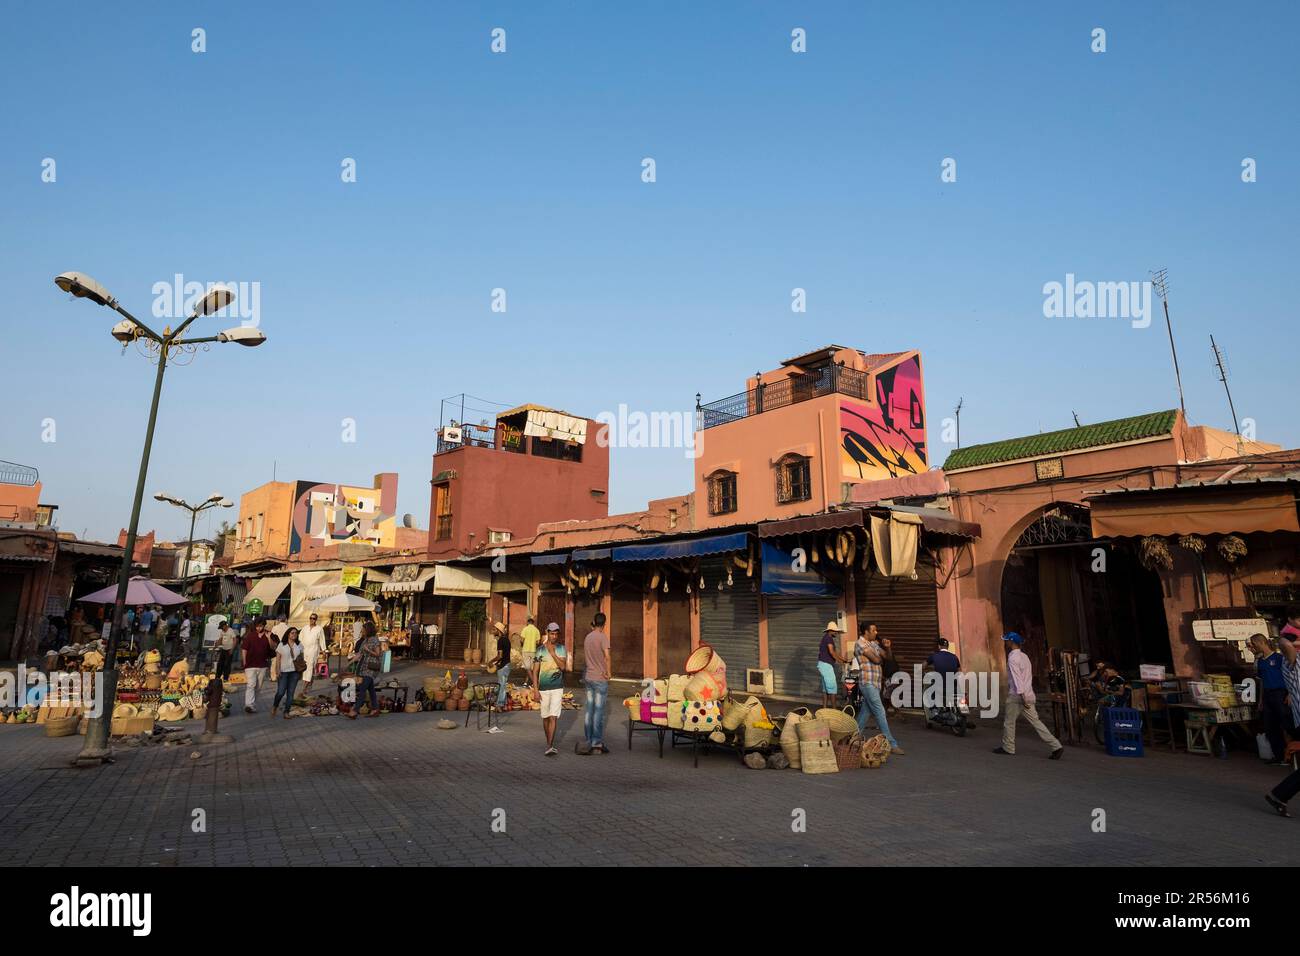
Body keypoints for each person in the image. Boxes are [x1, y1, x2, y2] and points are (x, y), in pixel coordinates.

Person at [994, 632, 1064, 759]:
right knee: (1037, 722)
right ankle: (1056, 745)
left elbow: (1017, 678)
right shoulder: (1025, 657)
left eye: (1006, 641)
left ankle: (1008, 747)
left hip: (1017, 695)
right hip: (1029, 693)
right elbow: (1027, 677)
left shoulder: (1012, 658)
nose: (1005, 643)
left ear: (1011, 642)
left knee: (1009, 722)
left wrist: (1021, 695)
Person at [851, 621, 904, 755]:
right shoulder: (860, 644)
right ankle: (891, 744)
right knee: (880, 711)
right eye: (874, 630)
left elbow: (888, 657)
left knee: (865, 712)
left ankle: (852, 737)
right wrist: (880, 654)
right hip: (867, 682)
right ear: (866, 632)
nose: (876, 633)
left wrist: (887, 647)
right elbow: (877, 660)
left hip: (875, 683)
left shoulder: (873, 644)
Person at [1264, 634, 1300, 817]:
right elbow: (1284, 643)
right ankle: (1278, 795)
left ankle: (1278, 795)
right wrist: (1293, 642)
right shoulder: (1291, 663)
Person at [577, 612, 611, 755]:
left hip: (589, 677)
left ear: (594, 622)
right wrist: (608, 672)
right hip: (600, 679)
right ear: (604, 623)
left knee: (589, 710)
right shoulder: (603, 637)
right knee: (598, 712)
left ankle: (588, 739)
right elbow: (607, 657)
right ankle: (596, 742)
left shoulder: (587, 637)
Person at [532, 622, 567, 756]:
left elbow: (563, 667)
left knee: (553, 717)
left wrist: (553, 654)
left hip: (557, 687)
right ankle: (549, 743)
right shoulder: (540, 650)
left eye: (556, 634)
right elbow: (535, 671)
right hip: (543, 688)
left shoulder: (561, 649)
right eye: (551, 633)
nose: (554, 636)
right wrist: (535, 690)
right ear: (547, 633)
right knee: (545, 717)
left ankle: (549, 745)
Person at [346, 621, 388, 719]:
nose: (362, 632)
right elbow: (359, 654)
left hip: (371, 668)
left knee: (363, 689)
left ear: (368, 630)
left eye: (363, 630)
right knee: (371, 689)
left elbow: (378, 653)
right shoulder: (365, 640)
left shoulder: (375, 640)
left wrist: (368, 650)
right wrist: (350, 662)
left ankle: (355, 711)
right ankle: (375, 709)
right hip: (364, 667)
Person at [241, 618, 276, 713]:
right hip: (250, 664)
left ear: (264, 626)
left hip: (262, 664)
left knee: (258, 686)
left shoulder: (268, 635)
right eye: (257, 626)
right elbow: (244, 649)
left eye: (260, 626)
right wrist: (244, 661)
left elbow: (273, 647)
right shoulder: (250, 636)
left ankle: (253, 704)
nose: (258, 628)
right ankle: (249, 704)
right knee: (251, 685)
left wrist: (269, 638)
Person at [271, 627, 304, 718]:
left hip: (295, 672)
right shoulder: (282, 644)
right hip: (284, 672)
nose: (294, 634)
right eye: (292, 633)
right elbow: (278, 659)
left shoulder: (299, 644)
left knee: (291, 693)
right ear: (288, 634)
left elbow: (301, 657)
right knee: (281, 692)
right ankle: (275, 705)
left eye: (295, 633)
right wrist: (277, 670)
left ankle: (286, 712)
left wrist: (301, 671)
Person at [817, 621, 851, 709]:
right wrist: (840, 662)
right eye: (835, 631)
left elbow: (834, 652)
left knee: (825, 690)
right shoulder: (828, 638)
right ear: (830, 630)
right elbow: (831, 652)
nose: (836, 633)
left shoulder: (826, 638)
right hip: (826, 665)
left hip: (822, 665)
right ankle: (834, 710)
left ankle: (824, 709)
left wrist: (843, 659)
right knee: (832, 688)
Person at [488, 621, 511, 720]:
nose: (493, 631)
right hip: (507, 664)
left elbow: (500, 656)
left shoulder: (500, 641)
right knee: (502, 684)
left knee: (501, 685)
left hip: (504, 666)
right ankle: (503, 704)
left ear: (499, 630)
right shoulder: (507, 640)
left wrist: (491, 661)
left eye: (495, 630)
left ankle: (499, 705)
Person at [300, 612, 328, 688]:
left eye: (314, 618)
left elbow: (322, 640)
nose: (312, 620)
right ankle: (309, 683)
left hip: (314, 650)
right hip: (304, 650)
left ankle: (305, 687)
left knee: (310, 667)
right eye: (311, 618)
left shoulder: (319, 629)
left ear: (316, 620)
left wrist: (324, 651)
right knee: (306, 668)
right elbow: (300, 639)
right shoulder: (305, 628)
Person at [519, 617, 541, 688]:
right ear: (533, 623)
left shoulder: (525, 629)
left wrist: (522, 645)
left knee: (527, 668)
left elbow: (522, 640)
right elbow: (538, 642)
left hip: (525, 650)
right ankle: (526, 682)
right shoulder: (537, 630)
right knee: (531, 668)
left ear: (528, 622)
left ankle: (535, 682)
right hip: (533, 651)